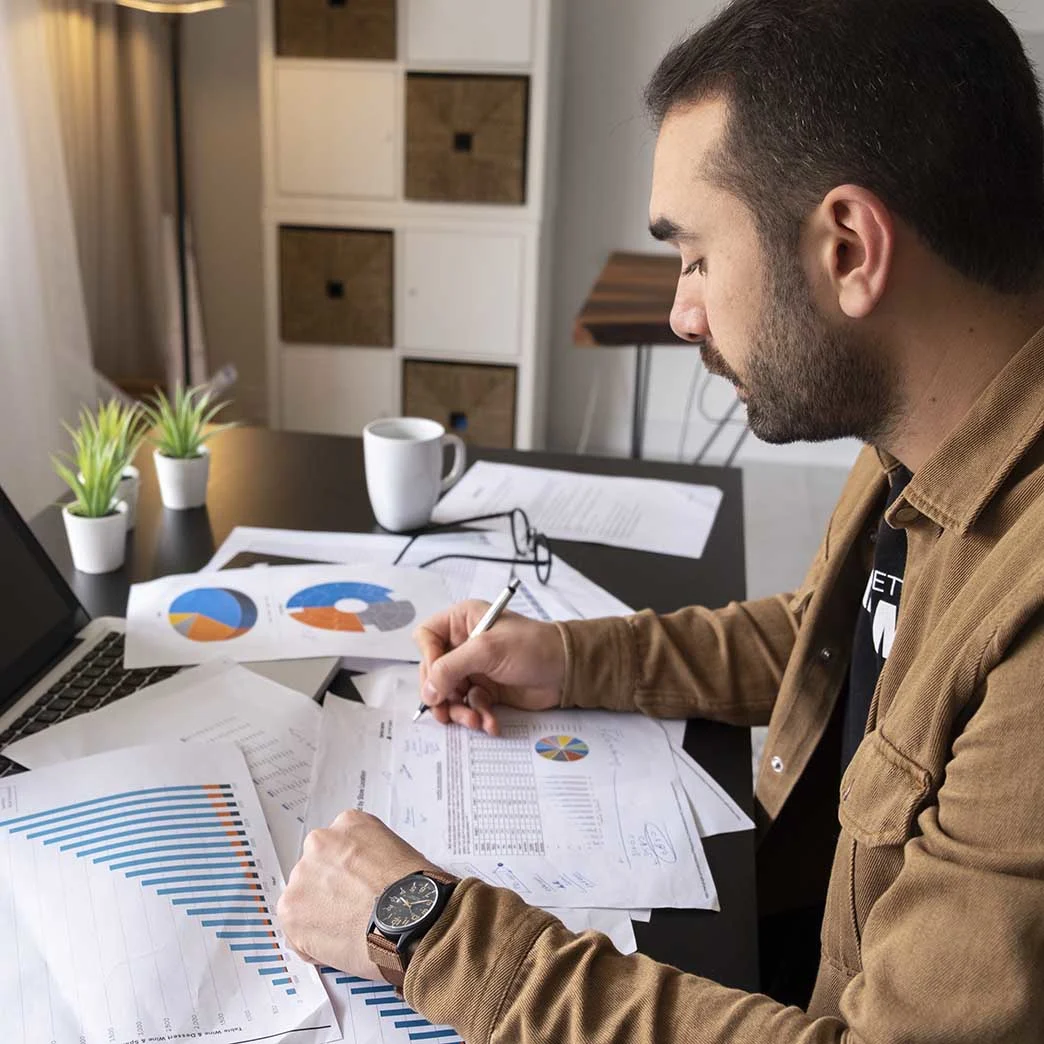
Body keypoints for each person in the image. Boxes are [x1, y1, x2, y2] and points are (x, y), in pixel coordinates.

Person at [278, 0, 1044, 1039]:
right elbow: (840, 634)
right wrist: (567, 658)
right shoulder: (930, 422)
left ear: (851, 249)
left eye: (693, 256)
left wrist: (422, 925)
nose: (681, 311)